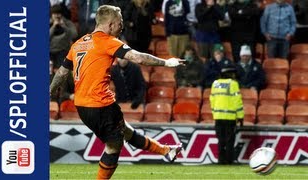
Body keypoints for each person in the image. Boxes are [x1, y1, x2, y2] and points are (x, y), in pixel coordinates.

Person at [49, 5, 183, 179]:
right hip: (100, 104)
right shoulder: (107, 41)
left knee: (125, 131)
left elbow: (62, 72)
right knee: (114, 145)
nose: (122, 27)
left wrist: (49, 91)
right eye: (120, 23)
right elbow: (139, 58)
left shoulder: (79, 43)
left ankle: (166, 151)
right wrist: (167, 63)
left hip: (82, 106)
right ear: (110, 24)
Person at [209, 65, 244, 164]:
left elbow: (212, 100)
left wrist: (214, 113)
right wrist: (240, 117)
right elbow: (237, 101)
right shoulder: (233, 84)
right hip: (230, 117)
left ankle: (221, 160)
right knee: (229, 141)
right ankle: (229, 160)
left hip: (218, 117)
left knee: (221, 140)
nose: (234, 75)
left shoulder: (215, 84)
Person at [50, 4, 78, 69]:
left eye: (58, 14)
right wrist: (53, 26)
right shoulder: (49, 23)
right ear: (52, 14)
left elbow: (74, 35)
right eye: (55, 14)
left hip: (63, 51)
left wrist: (64, 26)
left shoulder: (67, 23)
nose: (57, 16)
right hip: (50, 52)